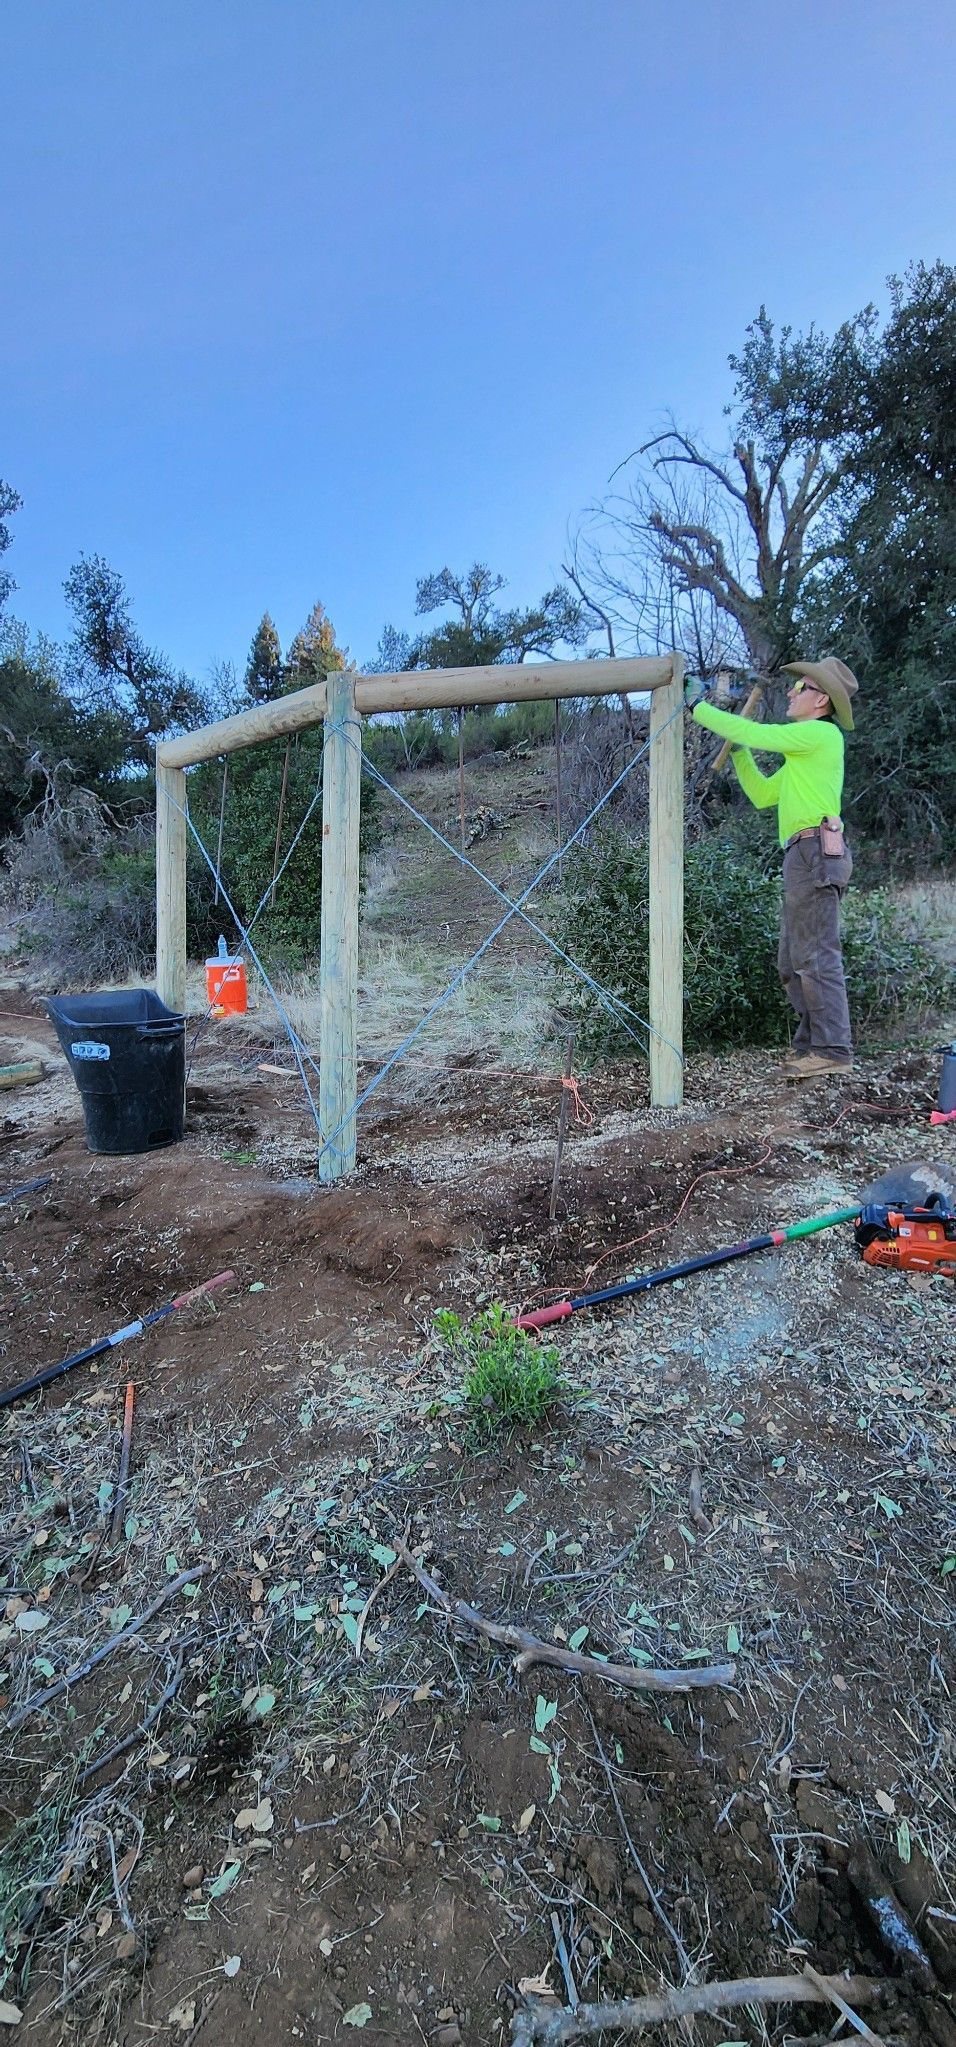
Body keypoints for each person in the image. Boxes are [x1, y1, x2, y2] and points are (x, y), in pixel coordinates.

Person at [689, 658, 859, 1078]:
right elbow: (765, 795)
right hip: (802, 854)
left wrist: (698, 707)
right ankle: (812, 1046)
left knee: (816, 955)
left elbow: (757, 733)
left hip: (816, 851)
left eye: (799, 686)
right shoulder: (805, 755)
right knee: (793, 960)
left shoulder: (821, 734)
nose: (790, 691)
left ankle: (833, 1050)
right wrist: (741, 754)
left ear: (820, 699)